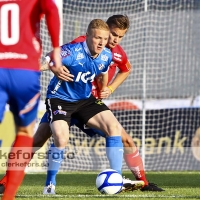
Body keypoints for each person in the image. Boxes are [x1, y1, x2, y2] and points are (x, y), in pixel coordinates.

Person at [0, 15, 164, 195]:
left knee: (119, 133)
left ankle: (135, 181)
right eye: (111, 35)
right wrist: (54, 66)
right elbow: (54, 59)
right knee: (41, 140)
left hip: (86, 101)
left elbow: (119, 69)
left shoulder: (111, 53)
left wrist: (108, 88)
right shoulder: (79, 46)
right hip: (62, 100)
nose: (113, 40)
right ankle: (9, 182)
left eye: (119, 37)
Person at [0, 0, 63, 199]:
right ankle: (8, 196)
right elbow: (52, 9)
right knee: (25, 132)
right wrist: (56, 48)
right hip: (25, 71)